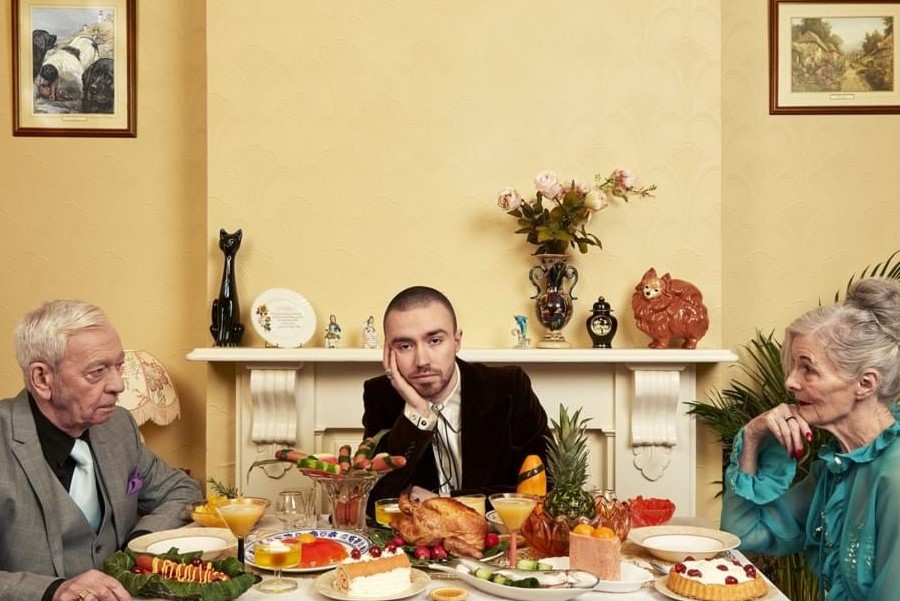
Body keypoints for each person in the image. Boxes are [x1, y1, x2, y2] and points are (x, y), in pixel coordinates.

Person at [0, 300, 204, 601]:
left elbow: (181, 491)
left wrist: (140, 546)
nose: (118, 384)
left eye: (118, 365)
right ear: (42, 379)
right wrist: (52, 590)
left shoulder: (118, 426)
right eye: (97, 371)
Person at [720, 278, 900, 600]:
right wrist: (752, 436)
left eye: (808, 369)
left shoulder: (895, 475)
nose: (790, 382)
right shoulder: (835, 470)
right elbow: (743, 535)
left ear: (865, 383)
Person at [362, 286, 550, 512]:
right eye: (405, 346)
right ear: (389, 352)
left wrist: (444, 501)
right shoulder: (380, 396)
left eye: (434, 341)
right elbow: (373, 502)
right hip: (417, 543)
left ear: (456, 341)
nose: (422, 360)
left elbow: (543, 488)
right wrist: (417, 415)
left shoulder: (509, 387)